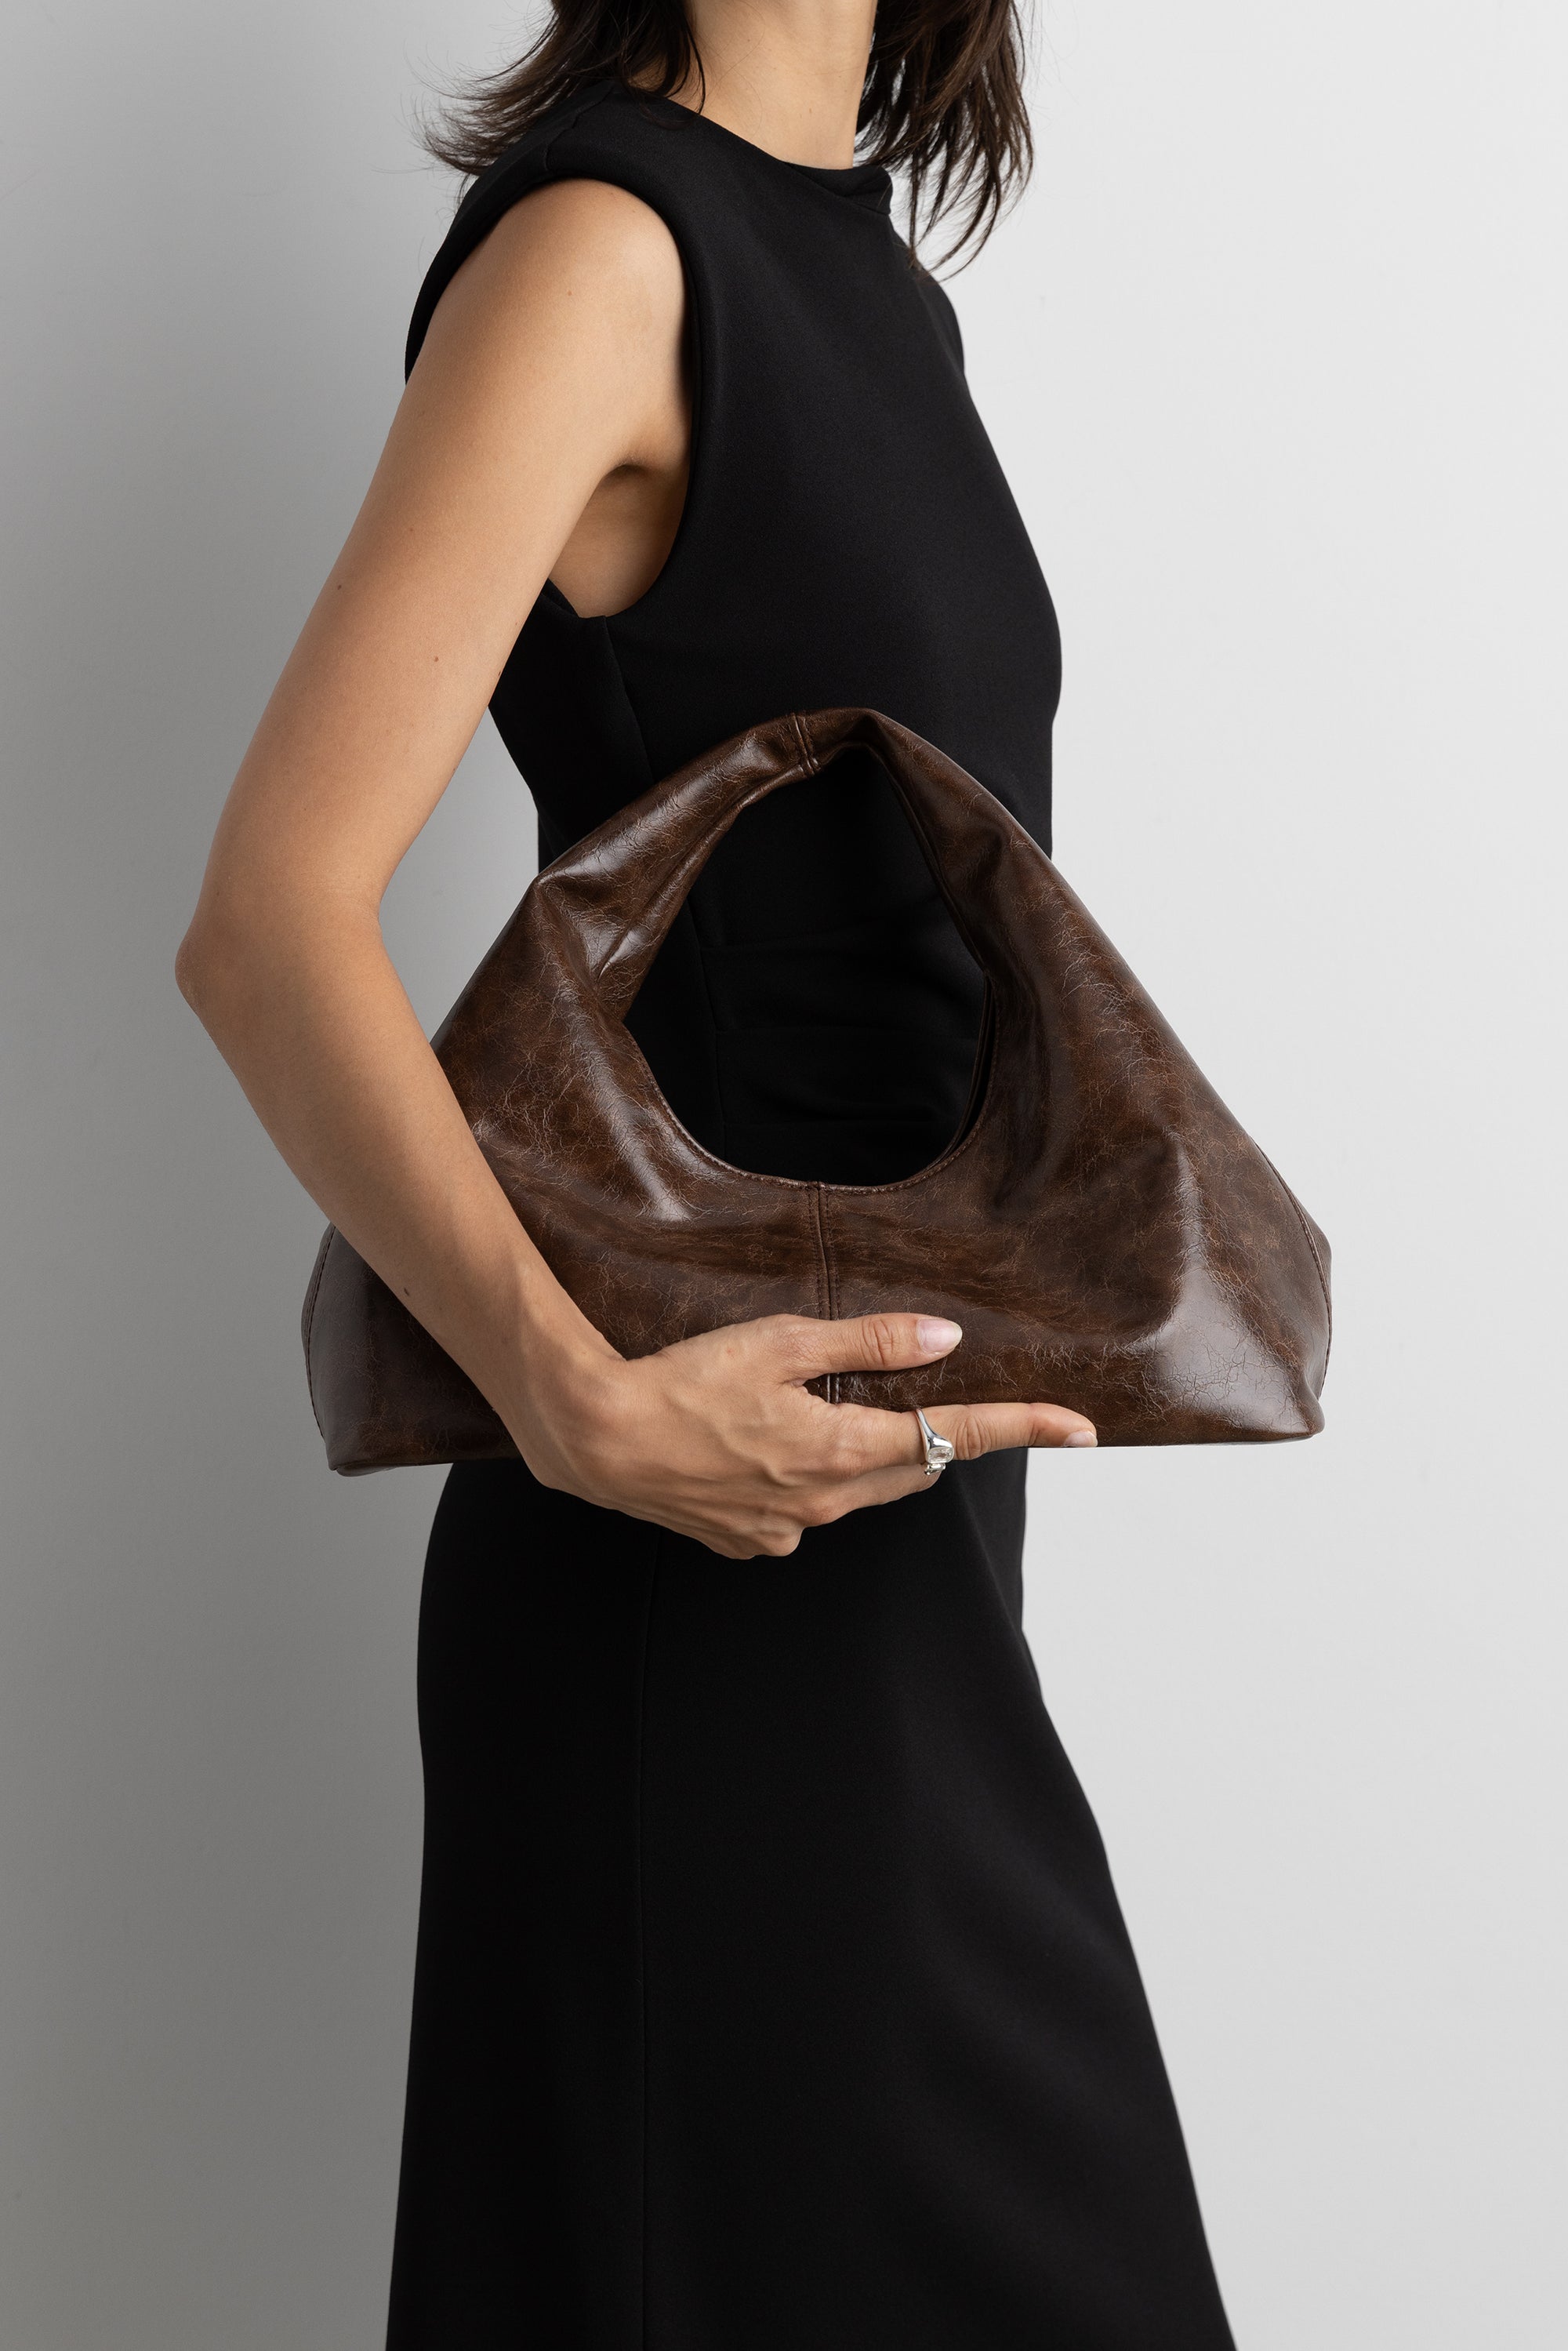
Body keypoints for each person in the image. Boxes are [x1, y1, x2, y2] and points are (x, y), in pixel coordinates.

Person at [177, 1, 1240, 2341]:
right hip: (686, 1572)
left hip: (910, 1545)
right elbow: (265, 923)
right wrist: (572, 1402)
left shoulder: (872, 281)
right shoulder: (605, 252)